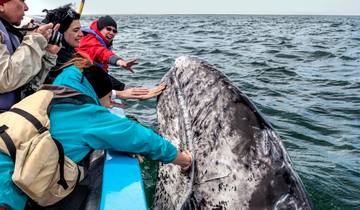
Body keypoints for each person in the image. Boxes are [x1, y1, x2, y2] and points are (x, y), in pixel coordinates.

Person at [0, 0, 61, 209]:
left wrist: (49, 54)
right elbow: (5, 79)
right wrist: (34, 40)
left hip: (12, 122)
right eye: (22, 2)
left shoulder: (11, 32)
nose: (26, 9)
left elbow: (27, 85)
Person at [43, 5, 164, 101]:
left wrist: (124, 89)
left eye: (115, 31)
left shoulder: (70, 49)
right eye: (76, 30)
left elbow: (93, 73)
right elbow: (98, 56)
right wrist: (121, 93)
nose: (81, 34)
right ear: (57, 34)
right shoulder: (58, 57)